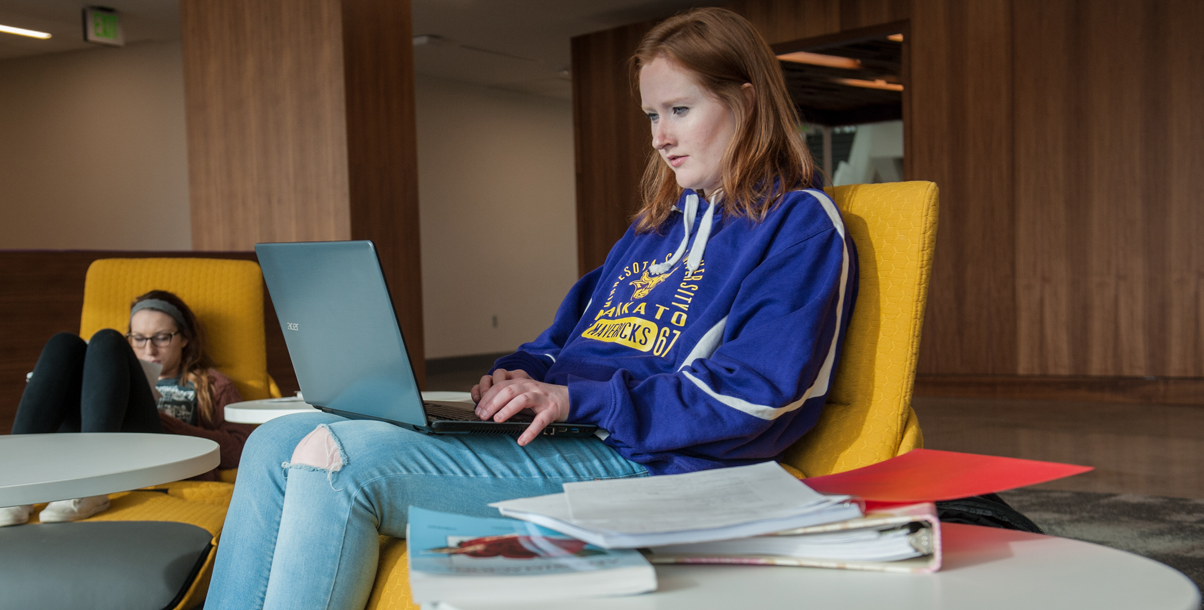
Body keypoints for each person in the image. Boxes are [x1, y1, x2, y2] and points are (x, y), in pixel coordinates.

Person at [204, 8, 858, 609]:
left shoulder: (798, 224)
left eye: (679, 110)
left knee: (336, 465)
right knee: (277, 443)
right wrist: (517, 375)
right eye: (652, 116)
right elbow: (563, 343)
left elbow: (757, 397)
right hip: (576, 431)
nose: (660, 137)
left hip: (656, 459)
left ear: (745, 100)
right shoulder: (653, 226)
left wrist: (582, 402)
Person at [0, 290, 254, 528]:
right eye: (138, 338)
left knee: (107, 340)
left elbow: (243, 449)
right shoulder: (107, 375)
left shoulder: (213, 384)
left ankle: (89, 485)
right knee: (64, 345)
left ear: (184, 338)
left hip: (153, 455)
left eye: (161, 337)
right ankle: (15, 489)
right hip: (92, 444)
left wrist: (172, 427)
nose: (149, 349)